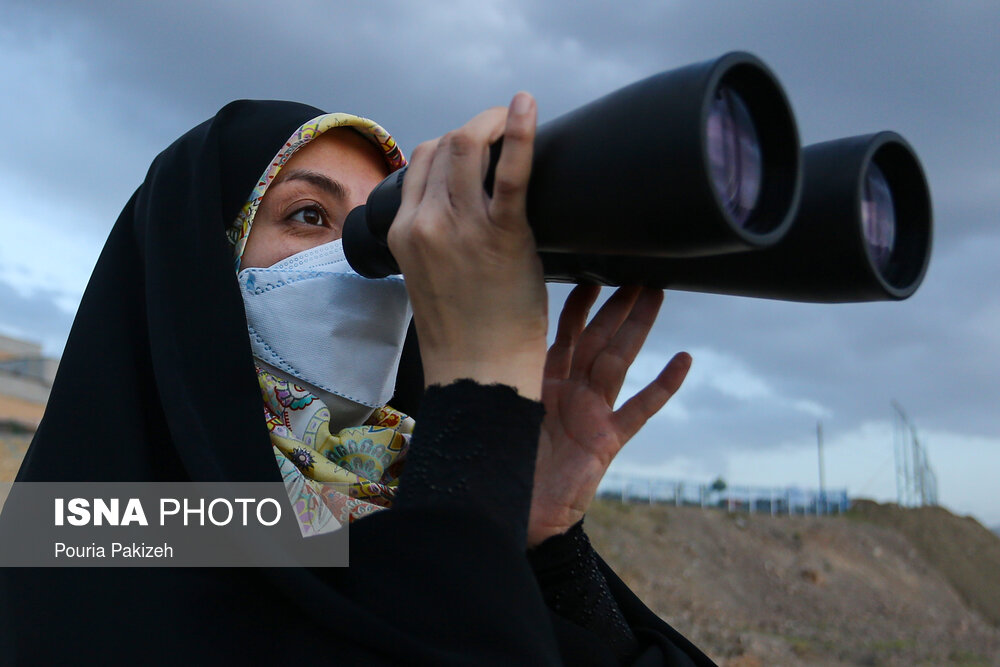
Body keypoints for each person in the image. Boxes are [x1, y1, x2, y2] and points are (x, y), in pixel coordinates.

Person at [0, 93, 713, 666]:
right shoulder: (94, 532)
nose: (364, 266)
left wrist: (543, 546)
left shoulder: (409, 500)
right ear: (198, 274)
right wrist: (480, 397)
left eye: (384, 231)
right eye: (309, 215)